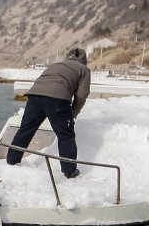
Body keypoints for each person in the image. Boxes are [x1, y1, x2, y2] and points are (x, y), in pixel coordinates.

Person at [6, 48, 91, 178]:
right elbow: (82, 95)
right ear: (84, 61)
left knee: (26, 129)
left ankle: (11, 161)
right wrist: (72, 113)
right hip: (58, 98)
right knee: (65, 135)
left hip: (35, 95)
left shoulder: (56, 65)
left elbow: (42, 80)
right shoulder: (83, 69)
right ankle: (69, 171)